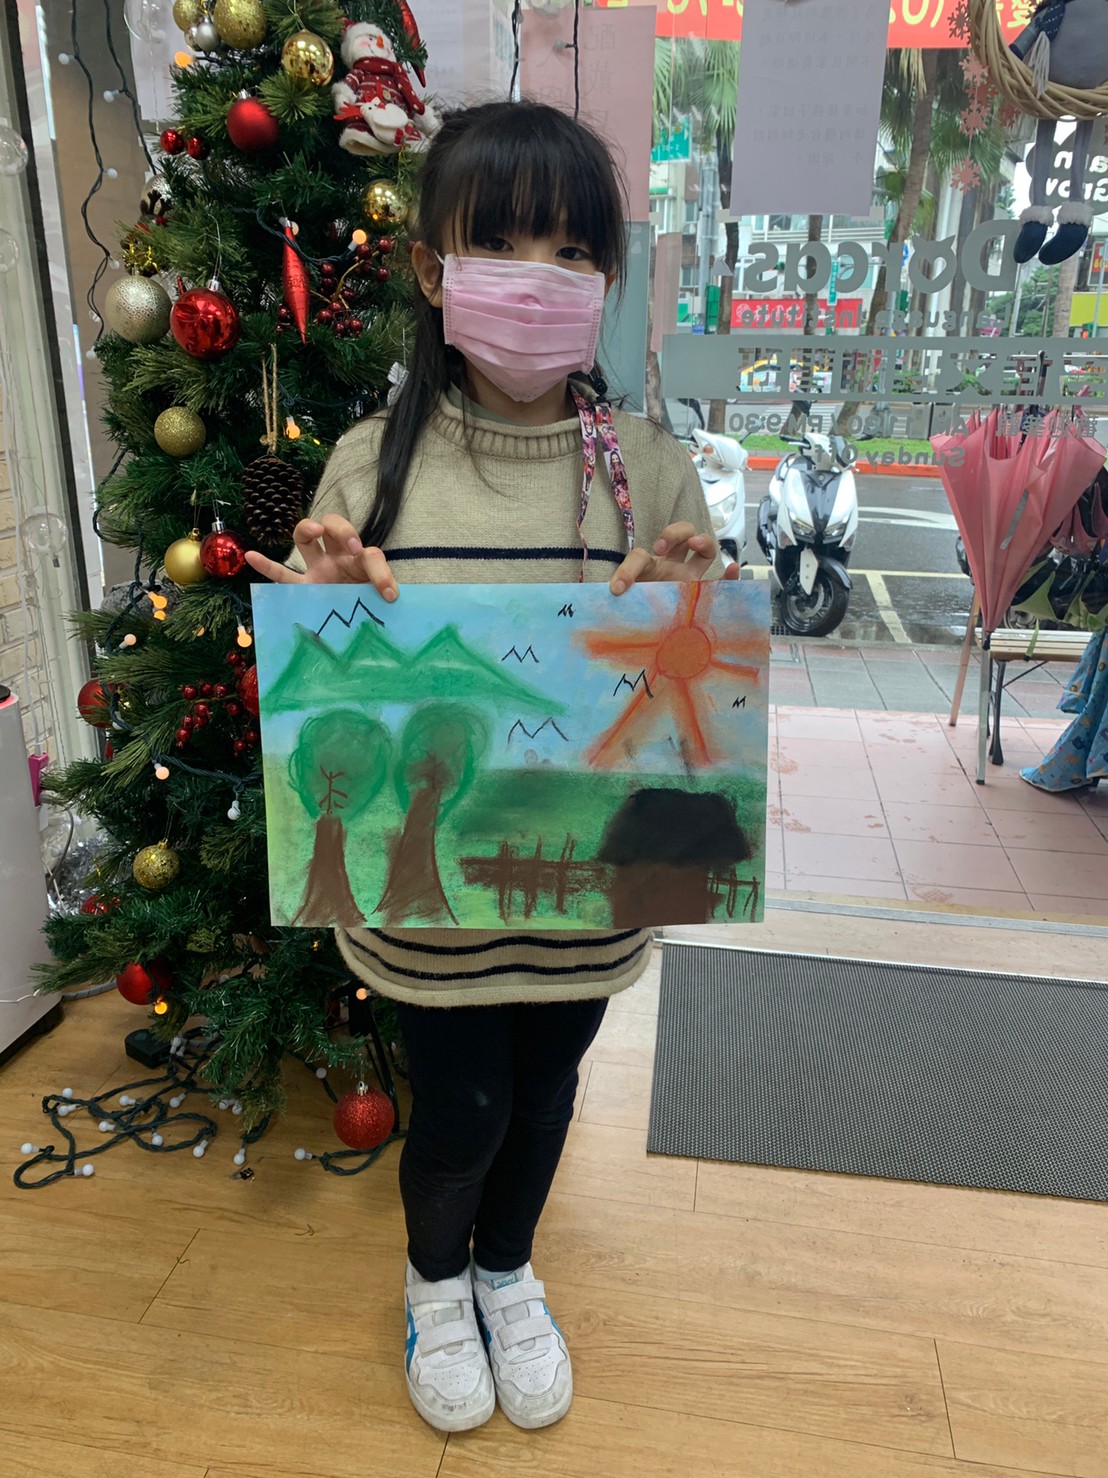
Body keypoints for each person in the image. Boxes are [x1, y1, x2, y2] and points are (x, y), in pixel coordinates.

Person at [246, 100, 736, 1436]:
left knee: (547, 1094)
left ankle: (509, 1273)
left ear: (607, 278)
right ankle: (434, 1283)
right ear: (431, 267)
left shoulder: (652, 468)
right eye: (501, 245)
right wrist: (327, 616)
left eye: (572, 252)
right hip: (431, 910)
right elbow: (329, 683)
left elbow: (695, 694)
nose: (538, 280)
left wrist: (685, 603)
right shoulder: (371, 463)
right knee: (460, 1106)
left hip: (589, 898)